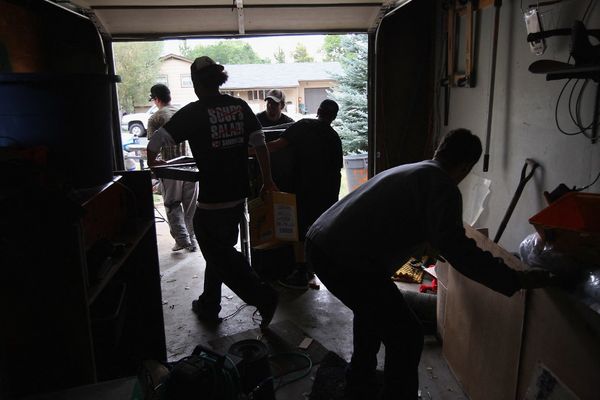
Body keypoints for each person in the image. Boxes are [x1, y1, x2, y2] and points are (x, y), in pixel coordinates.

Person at [305, 129, 554, 399]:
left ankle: (359, 382)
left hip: (322, 243)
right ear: (466, 167)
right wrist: (514, 278)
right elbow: (461, 251)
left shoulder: (415, 170)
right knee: (406, 335)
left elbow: (406, 223)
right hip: (344, 258)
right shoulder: (442, 186)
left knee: (373, 312)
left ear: (439, 151)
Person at [147, 56, 279, 328]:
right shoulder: (240, 106)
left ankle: (263, 296)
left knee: (217, 251)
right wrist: (267, 181)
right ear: (218, 80)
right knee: (220, 250)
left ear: (196, 83)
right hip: (238, 195)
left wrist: (152, 162)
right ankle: (210, 304)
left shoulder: (195, 112)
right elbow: (261, 144)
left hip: (212, 199)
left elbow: (157, 140)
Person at [265, 99, 342, 290]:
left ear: (318, 110)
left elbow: (276, 145)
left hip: (303, 187)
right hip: (327, 191)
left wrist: (250, 151)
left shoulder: (304, 125)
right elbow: (337, 170)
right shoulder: (334, 137)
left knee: (298, 228)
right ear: (334, 117)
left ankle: (300, 272)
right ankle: (314, 269)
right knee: (317, 229)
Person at [147, 83, 199, 252]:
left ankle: (182, 241)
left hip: (170, 167)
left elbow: (153, 145)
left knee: (172, 205)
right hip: (190, 166)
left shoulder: (155, 118)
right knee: (190, 206)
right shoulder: (183, 112)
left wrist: (153, 166)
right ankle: (192, 240)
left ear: (156, 99)